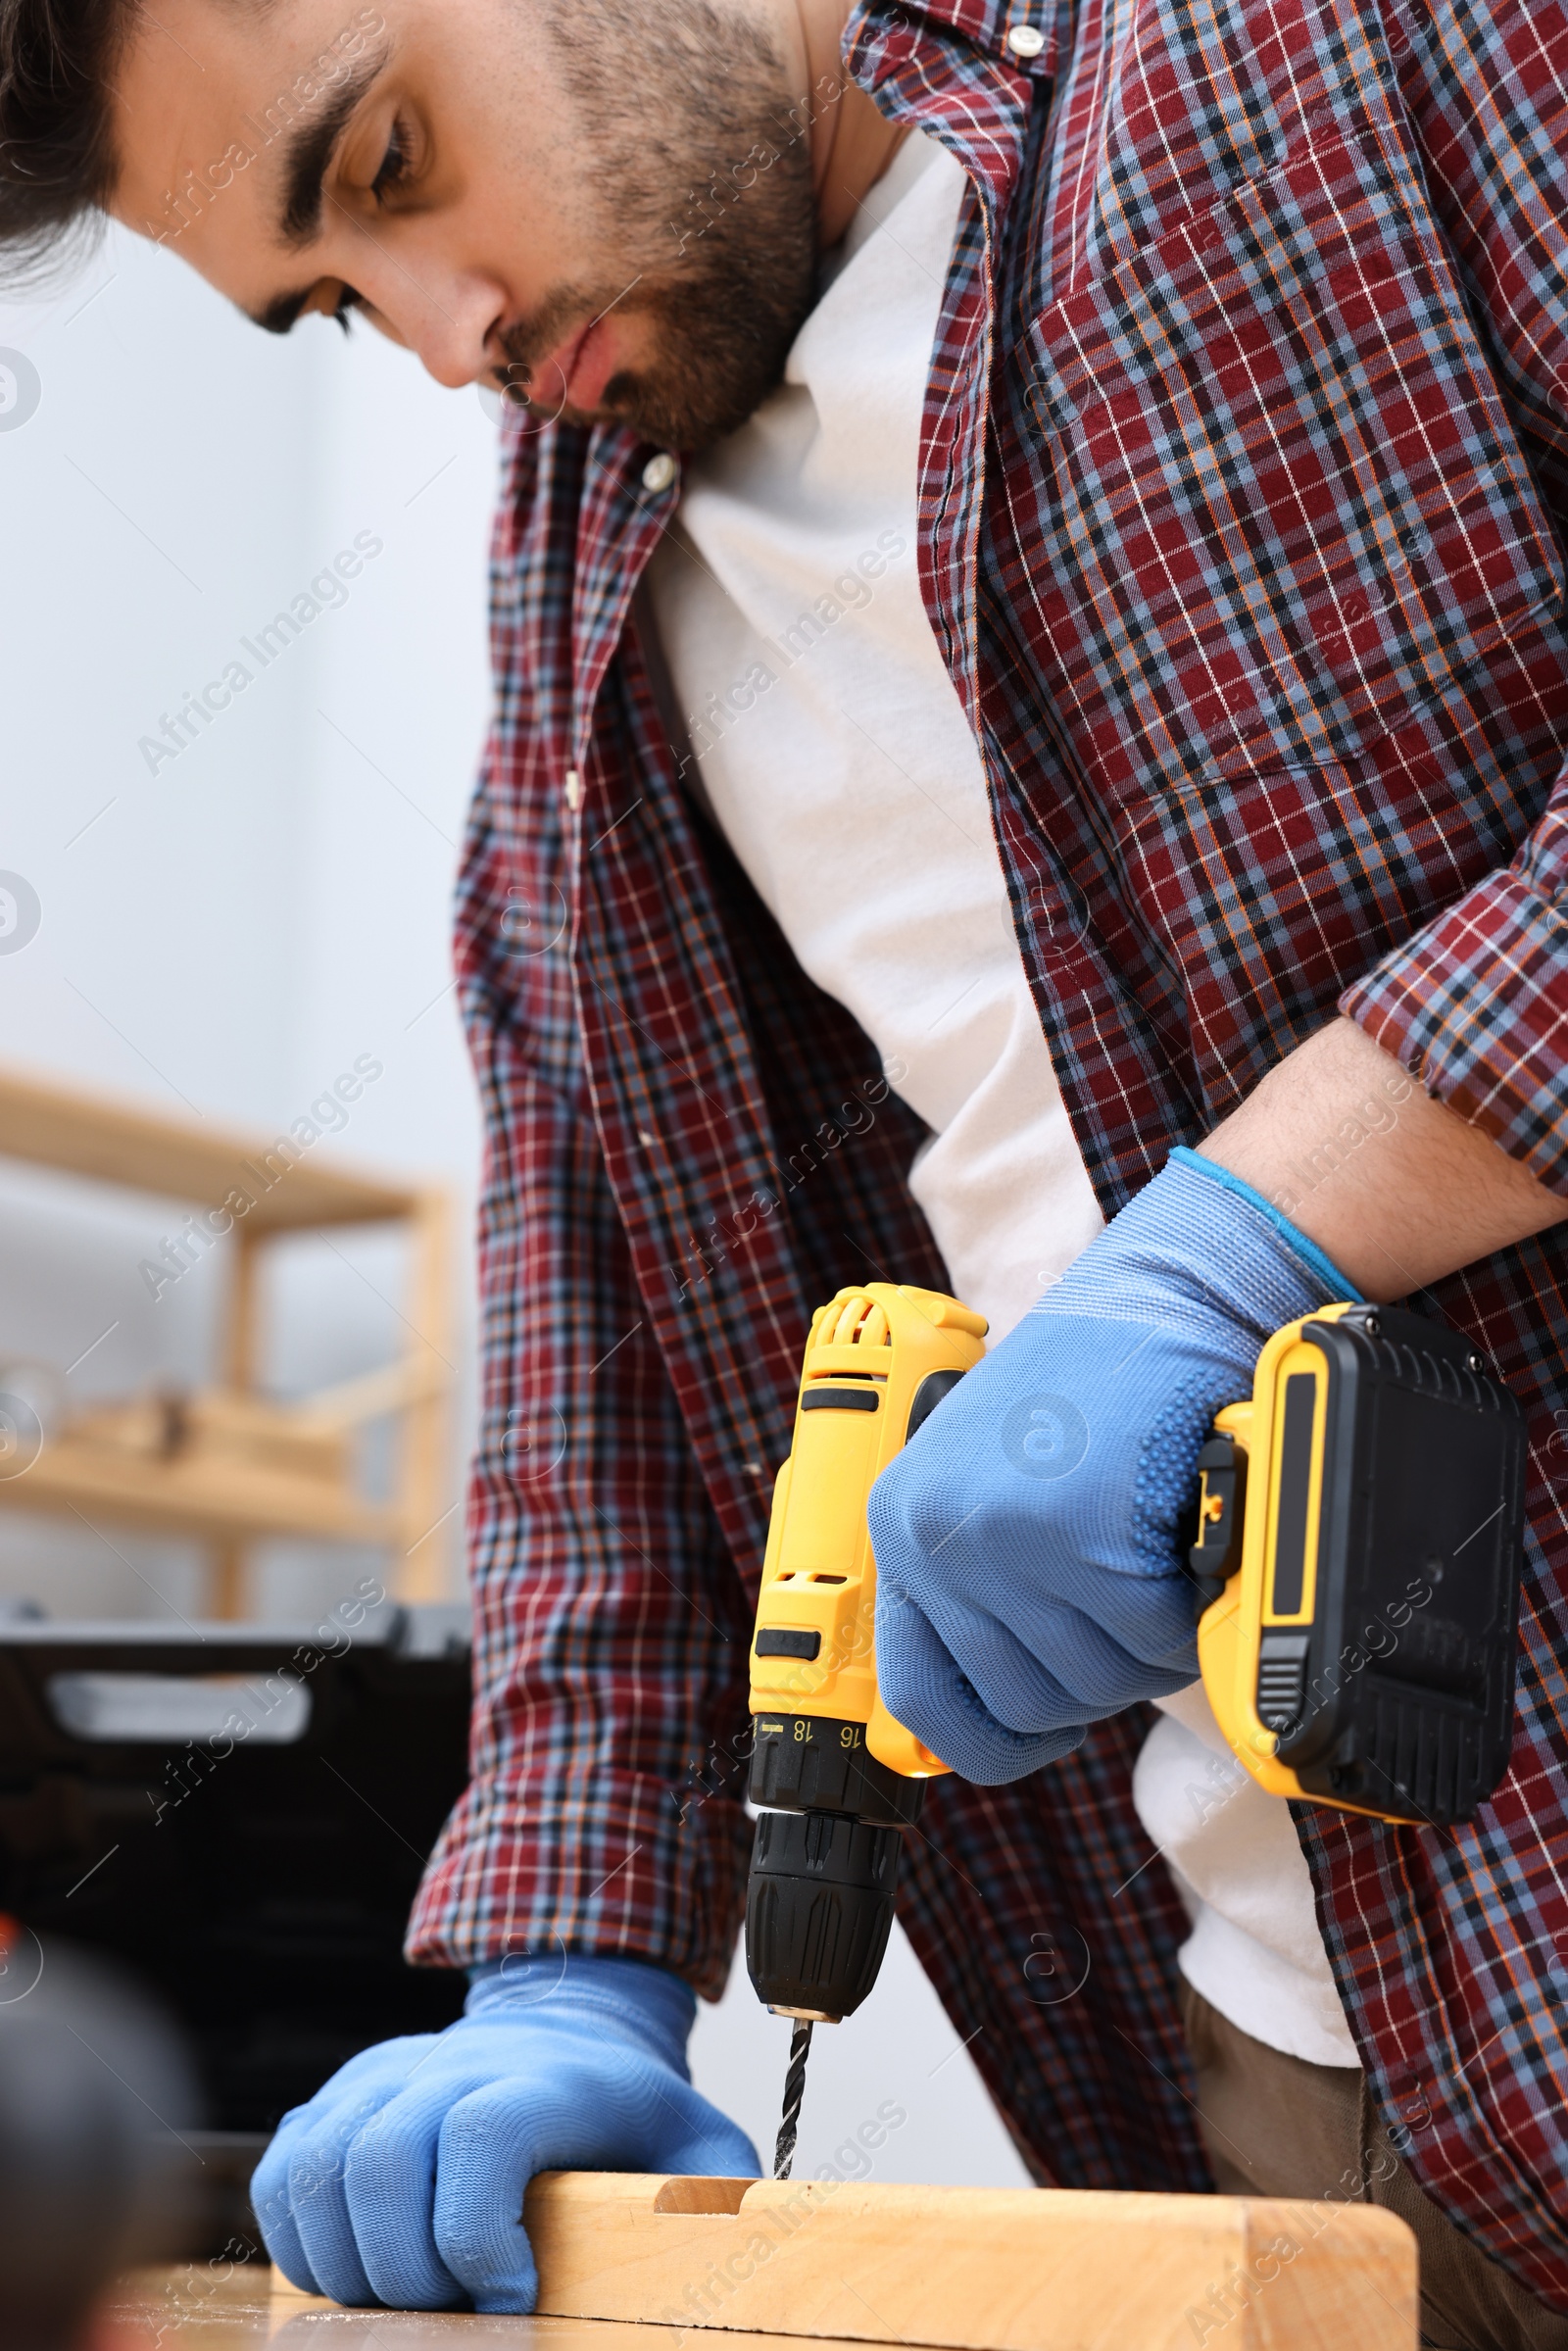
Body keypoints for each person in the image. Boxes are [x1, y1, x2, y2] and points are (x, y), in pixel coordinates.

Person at [5, 0, 1568, 2339]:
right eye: (332, 300)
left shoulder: (1353, 41)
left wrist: (1249, 1241)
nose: (447, 344)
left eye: (401, 160)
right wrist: (561, 1980)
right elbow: (600, 1308)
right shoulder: (574, 596)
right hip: (1294, 2100)